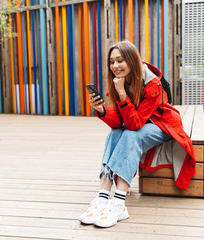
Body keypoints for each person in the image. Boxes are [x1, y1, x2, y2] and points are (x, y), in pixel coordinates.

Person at [79, 41, 195, 228]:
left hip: (162, 124)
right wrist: (101, 109)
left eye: (120, 60)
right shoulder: (119, 81)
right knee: (115, 133)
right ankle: (102, 196)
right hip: (140, 123)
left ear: (132, 60)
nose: (115, 66)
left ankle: (118, 203)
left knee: (130, 135)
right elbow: (119, 121)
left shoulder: (152, 83)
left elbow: (134, 125)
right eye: (112, 62)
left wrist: (122, 94)